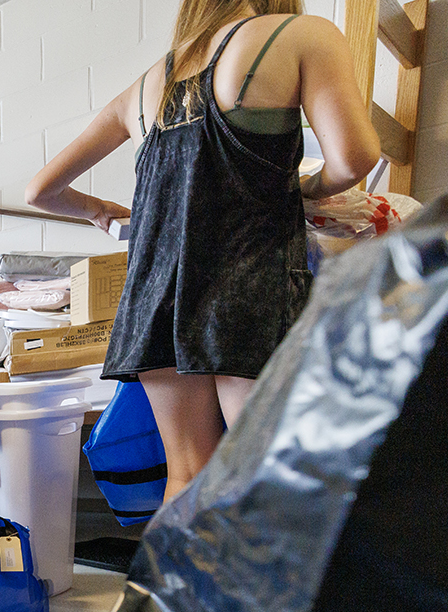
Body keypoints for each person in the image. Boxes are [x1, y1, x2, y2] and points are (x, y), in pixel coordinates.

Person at [25, 0, 378, 504]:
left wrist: (98, 210)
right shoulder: (302, 35)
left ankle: (177, 586)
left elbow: (40, 191)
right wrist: (308, 190)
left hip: (156, 301)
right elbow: (355, 158)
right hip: (250, 291)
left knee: (187, 476)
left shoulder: (145, 86)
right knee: (267, 480)